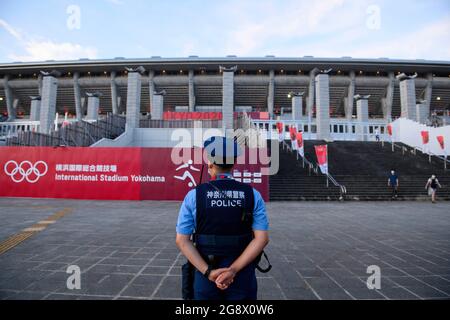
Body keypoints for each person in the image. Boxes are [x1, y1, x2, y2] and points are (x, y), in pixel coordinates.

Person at [175, 136, 269, 300]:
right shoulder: (253, 195)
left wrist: (208, 272)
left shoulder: (193, 196)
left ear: (210, 164)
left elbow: (182, 240)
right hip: (242, 274)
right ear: (233, 164)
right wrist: (232, 270)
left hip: (206, 274)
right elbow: (262, 239)